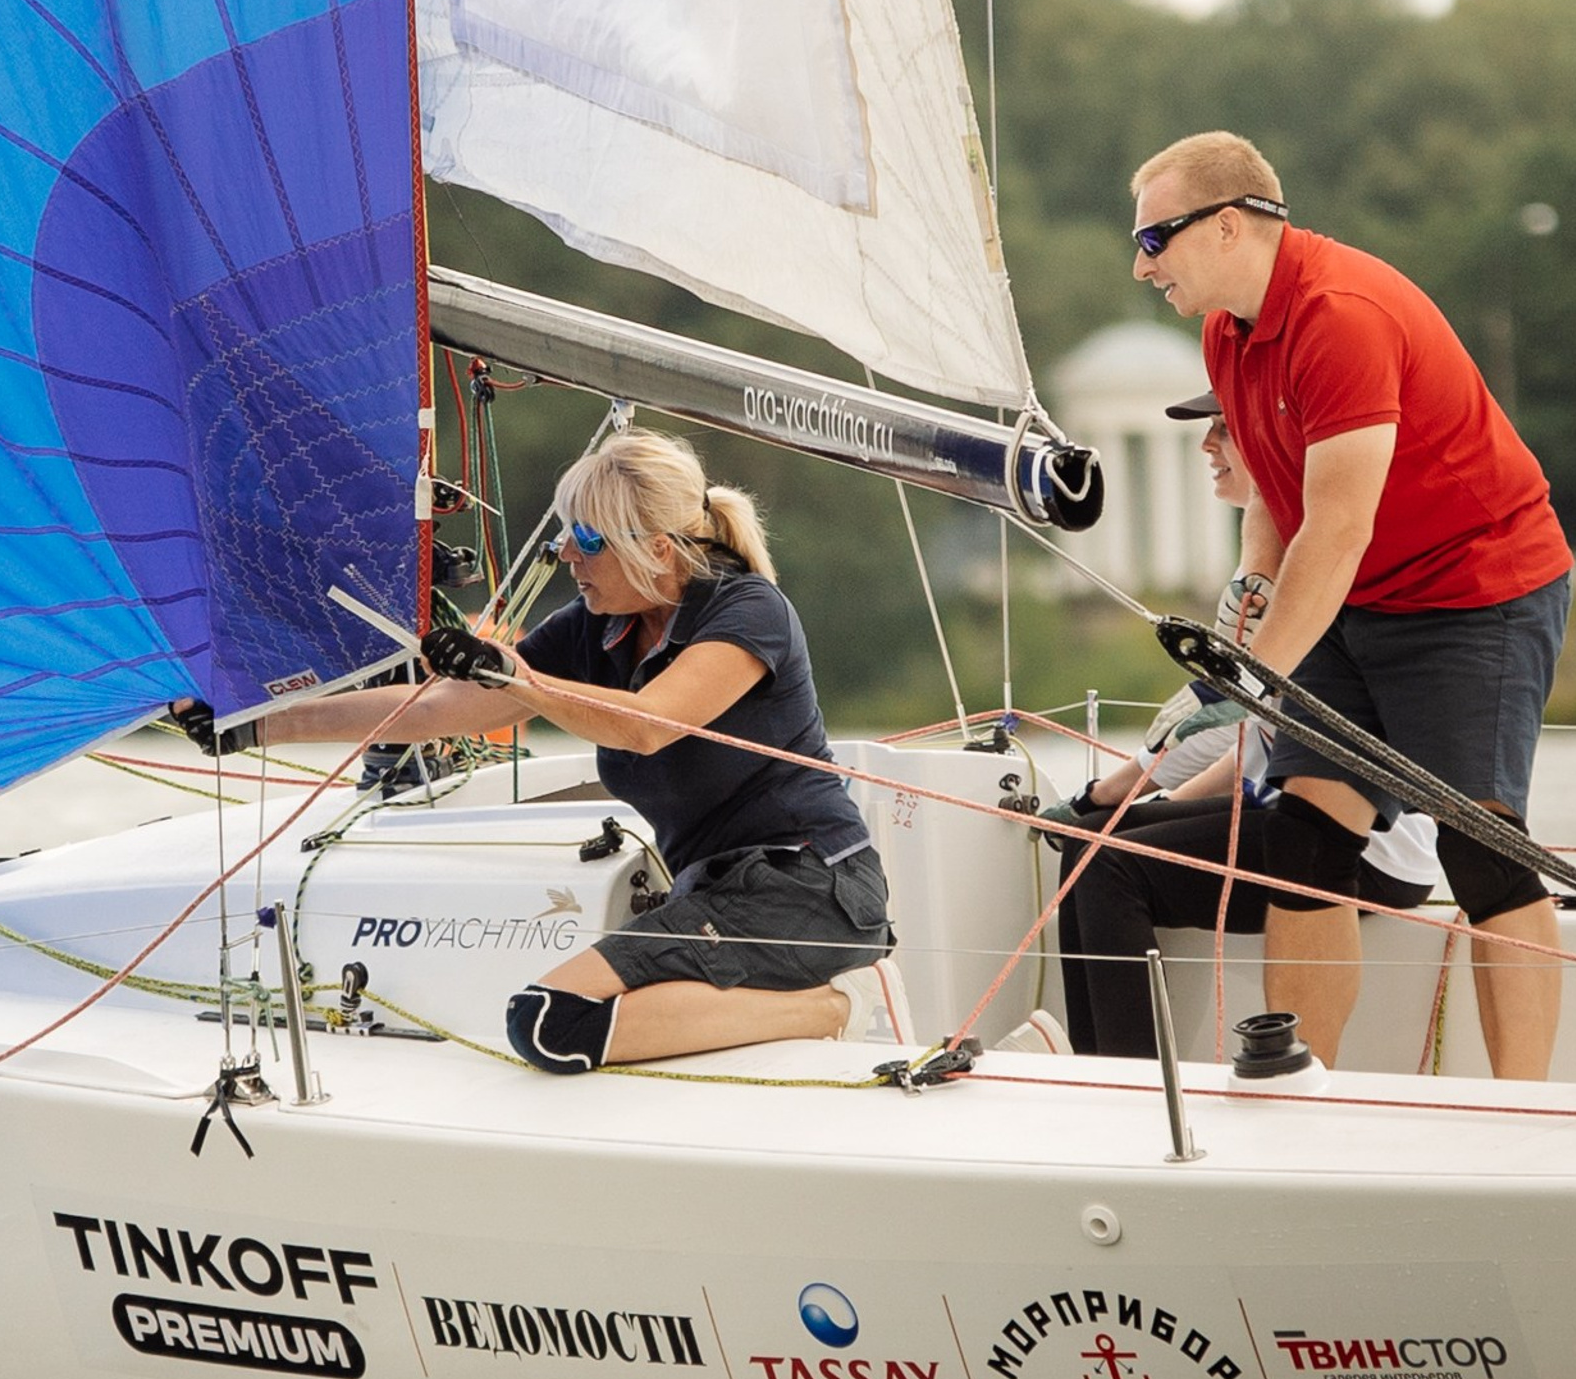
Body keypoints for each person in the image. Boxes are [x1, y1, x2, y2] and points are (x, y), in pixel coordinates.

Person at [1129, 131, 1574, 1079]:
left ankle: (1524, 1114)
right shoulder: (1226, 330)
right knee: (1301, 840)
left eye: (1155, 240)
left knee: (1484, 846)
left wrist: (1257, 680)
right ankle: (1301, 1082)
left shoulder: (1341, 315)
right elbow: (1277, 504)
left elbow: (1338, 526)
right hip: (1354, 598)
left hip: (1474, 594)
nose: (1141, 265)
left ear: (1227, 226)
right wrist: (1250, 598)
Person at [251, 430, 892, 1072]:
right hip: (714, 895)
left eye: (586, 539)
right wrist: (258, 724)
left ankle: (832, 1008)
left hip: (811, 888)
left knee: (550, 1023)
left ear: (658, 548)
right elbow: (432, 709)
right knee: (555, 1021)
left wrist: (518, 678)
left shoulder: (749, 611)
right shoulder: (598, 625)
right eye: (564, 535)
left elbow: (648, 725)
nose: (564, 555)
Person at [1047, 395, 1438, 1057]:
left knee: (1110, 864)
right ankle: (1101, 1071)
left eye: (1224, 430)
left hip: (1366, 846)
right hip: (1295, 813)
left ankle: (1134, 1085)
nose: (1206, 446)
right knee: (1087, 845)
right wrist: (1135, 805)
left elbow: (1214, 710)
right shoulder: (1272, 550)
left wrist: (1112, 794)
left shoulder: (1298, 562)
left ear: (1274, 444)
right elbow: (1252, 738)